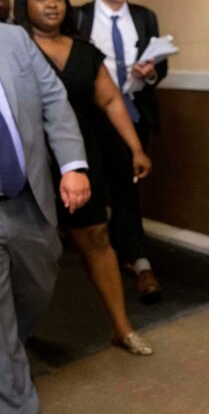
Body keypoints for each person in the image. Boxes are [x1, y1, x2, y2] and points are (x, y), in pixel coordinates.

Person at [14, 0, 155, 355]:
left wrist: (135, 149)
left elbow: (111, 101)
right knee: (32, 254)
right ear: (24, 3)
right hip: (27, 163)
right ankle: (18, 334)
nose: (52, 4)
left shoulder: (84, 50)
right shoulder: (14, 49)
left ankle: (121, 328)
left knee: (96, 236)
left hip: (79, 157)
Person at [0, 23, 91, 413]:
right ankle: (17, 400)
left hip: (28, 199)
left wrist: (72, 165)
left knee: (37, 288)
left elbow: (54, 100)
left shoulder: (13, 38)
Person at [75, 0, 167, 301]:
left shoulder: (144, 17)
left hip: (134, 112)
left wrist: (151, 71)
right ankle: (108, 253)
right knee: (101, 189)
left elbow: (161, 65)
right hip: (92, 119)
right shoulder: (80, 18)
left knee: (129, 188)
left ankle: (139, 260)